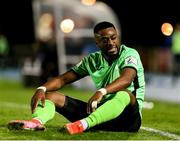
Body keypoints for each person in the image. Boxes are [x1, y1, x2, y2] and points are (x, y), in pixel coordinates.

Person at [8, 21, 145, 134]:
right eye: (104, 40)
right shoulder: (92, 60)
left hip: (129, 119)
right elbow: (63, 79)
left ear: (118, 37)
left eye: (113, 38)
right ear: (97, 43)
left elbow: (127, 79)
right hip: (101, 114)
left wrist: (101, 91)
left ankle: (83, 125)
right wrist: (42, 88)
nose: (110, 42)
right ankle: (36, 122)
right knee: (50, 96)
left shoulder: (129, 54)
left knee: (125, 94)